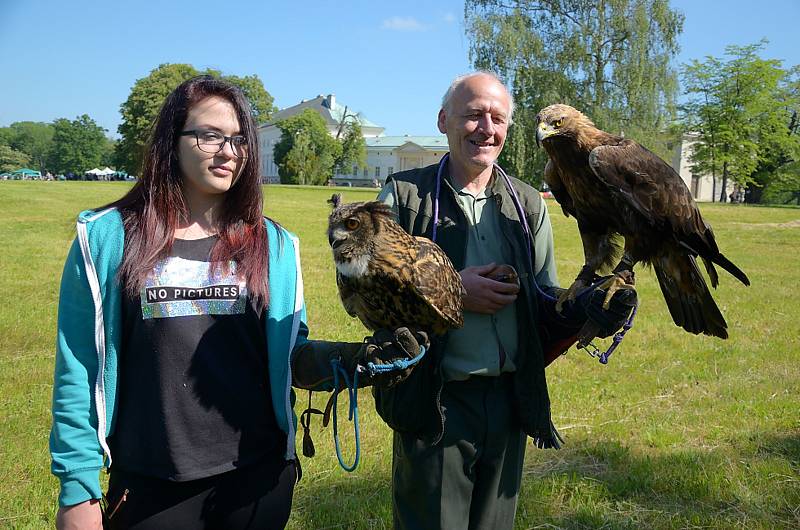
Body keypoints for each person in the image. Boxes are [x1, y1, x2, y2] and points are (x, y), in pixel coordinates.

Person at [50, 76, 426, 530]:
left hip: (257, 478)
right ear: (172, 141)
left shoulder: (274, 244)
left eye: (239, 139)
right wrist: (78, 490)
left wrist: (351, 361)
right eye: (209, 135)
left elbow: (289, 355)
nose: (228, 151)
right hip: (152, 480)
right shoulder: (108, 238)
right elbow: (79, 369)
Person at [373, 72, 637, 529]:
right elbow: (369, 297)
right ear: (443, 120)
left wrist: (589, 309)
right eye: (473, 115)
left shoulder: (528, 201)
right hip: (435, 397)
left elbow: (544, 298)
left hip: (510, 399)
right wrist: (453, 290)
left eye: (498, 118)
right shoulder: (404, 195)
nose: (486, 128)